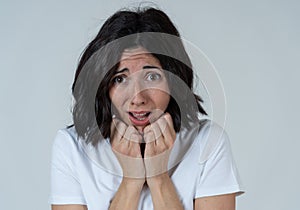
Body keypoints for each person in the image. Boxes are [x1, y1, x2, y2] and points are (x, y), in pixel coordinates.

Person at [49, 7, 244, 210]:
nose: (138, 98)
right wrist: (131, 181)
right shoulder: (72, 147)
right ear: (104, 86)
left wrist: (159, 177)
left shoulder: (208, 142)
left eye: (152, 77)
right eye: (120, 79)